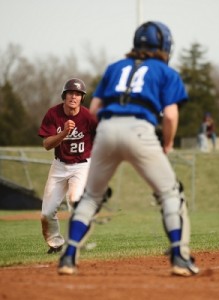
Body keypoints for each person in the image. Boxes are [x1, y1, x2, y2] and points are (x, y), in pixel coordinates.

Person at [57, 21, 200, 277]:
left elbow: (96, 109)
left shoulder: (115, 67)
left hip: (107, 129)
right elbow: (169, 116)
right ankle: (179, 256)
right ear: (165, 45)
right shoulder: (165, 72)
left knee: (91, 197)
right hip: (140, 130)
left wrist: (104, 139)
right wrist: (166, 143)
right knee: (170, 194)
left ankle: (68, 257)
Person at [38, 78, 98, 254]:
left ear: (82, 98)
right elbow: (47, 144)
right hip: (59, 166)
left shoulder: (88, 116)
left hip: (81, 165)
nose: (74, 96)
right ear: (64, 96)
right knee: (46, 213)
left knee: (74, 199)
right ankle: (55, 244)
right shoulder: (53, 114)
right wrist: (64, 132)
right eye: (71, 93)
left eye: (78, 94)